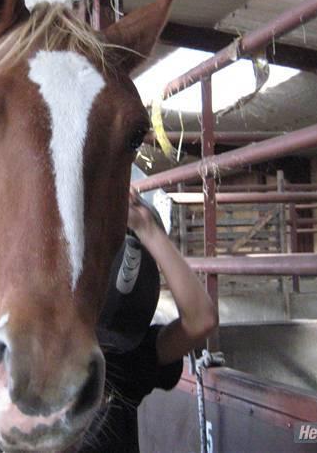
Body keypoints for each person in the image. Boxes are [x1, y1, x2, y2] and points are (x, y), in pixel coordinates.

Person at [83, 188, 219, 452]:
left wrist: (148, 231)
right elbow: (201, 320)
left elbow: (202, 319)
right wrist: (149, 232)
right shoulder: (128, 357)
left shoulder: (127, 357)